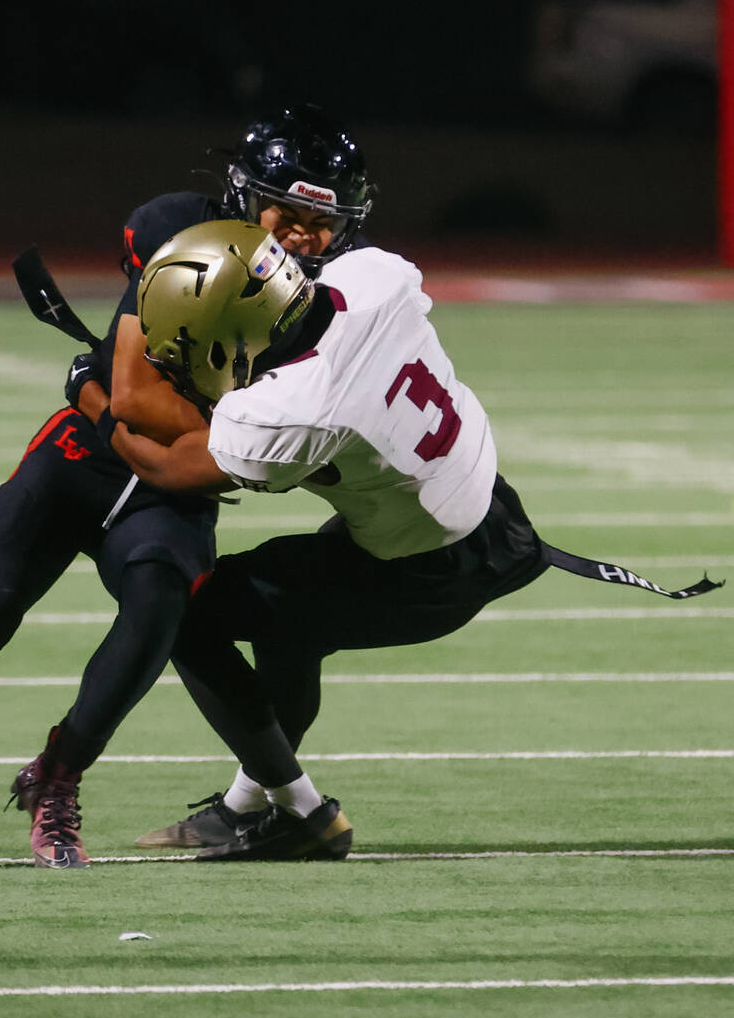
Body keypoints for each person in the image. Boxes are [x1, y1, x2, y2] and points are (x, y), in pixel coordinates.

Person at [0, 104, 376, 877]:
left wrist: (104, 397)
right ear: (248, 198)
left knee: (158, 613)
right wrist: (159, 420)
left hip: (164, 481)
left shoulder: (337, 304)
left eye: (322, 220)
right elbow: (142, 397)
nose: (305, 236)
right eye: (290, 214)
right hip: (81, 458)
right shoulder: (178, 230)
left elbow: (205, 432)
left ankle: (57, 776)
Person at [79, 219, 723, 861]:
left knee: (188, 615)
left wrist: (96, 404)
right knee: (287, 613)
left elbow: (169, 466)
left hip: (427, 569)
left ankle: (302, 813)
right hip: (484, 504)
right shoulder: (374, 275)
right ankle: (249, 805)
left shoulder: (292, 408)